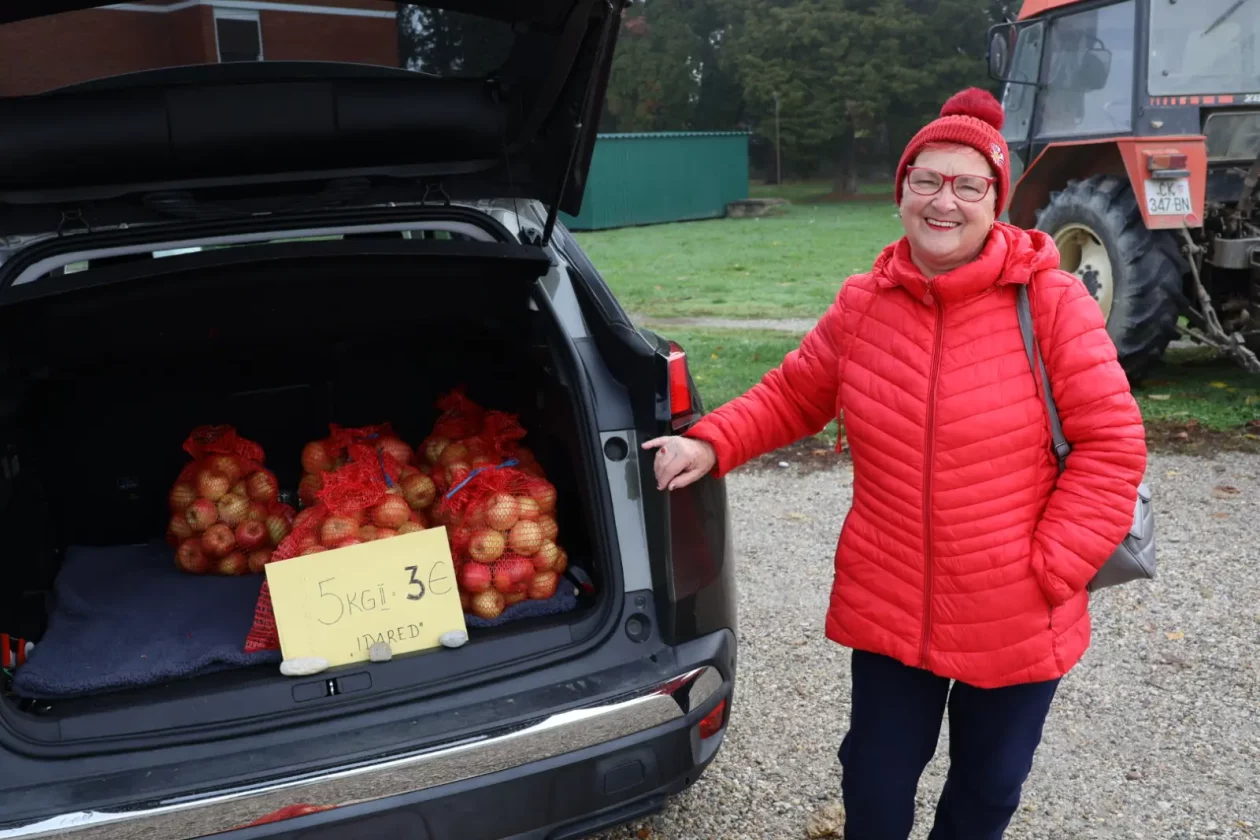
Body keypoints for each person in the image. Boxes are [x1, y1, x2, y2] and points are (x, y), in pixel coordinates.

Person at [643, 87, 1147, 840]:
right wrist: (710, 441)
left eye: (968, 185)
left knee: (989, 787)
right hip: (892, 600)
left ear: (995, 199)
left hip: (1015, 605)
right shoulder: (865, 304)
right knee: (874, 782)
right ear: (902, 191)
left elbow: (1113, 445)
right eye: (927, 181)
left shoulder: (1051, 302)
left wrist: (1052, 566)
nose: (945, 202)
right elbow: (793, 394)